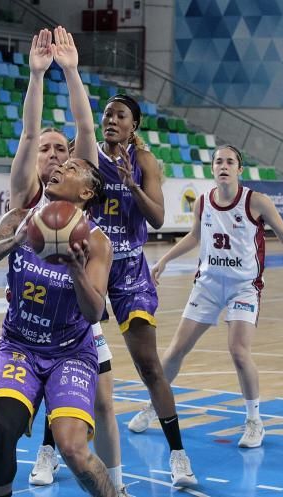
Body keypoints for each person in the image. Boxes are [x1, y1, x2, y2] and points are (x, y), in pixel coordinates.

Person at [0, 27, 128, 496]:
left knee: (87, 427)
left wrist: (71, 70)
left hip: (73, 338)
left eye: (65, 154)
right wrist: (38, 75)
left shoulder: (91, 233)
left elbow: (85, 130)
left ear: (84, 181)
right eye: (50, 153)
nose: (59, 159)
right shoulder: (23, 205)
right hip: (21, 336)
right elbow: (28, 131)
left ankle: (112, 486)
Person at [127, 145, 283, 450]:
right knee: (175, 351)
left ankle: (254, 421)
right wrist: (164, 260)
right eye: (218, 161)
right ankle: (155, 405)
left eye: (230, 161)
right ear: (212, 169)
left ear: (239, 169)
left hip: (243, 286)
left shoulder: (256, 202)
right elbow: (195, 236)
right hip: (208, 285)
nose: (223, 165)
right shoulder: (203, 202)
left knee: (238, 351)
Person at [0, 156, 115, 497]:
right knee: (3, 427)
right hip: (19, 345)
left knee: (73, 449)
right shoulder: (20, 218)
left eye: (73, 168)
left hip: (71, 353)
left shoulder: (96, 242)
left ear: (87, 191)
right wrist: (14, 241)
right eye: (61, 164)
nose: (61, 167)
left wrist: (77, 269)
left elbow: (94, 313)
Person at [95, 93, 194, 485]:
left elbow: (156, 218)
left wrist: (132, 185)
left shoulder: (146, 162)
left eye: (120, 115)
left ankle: (178, 456)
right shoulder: (84, 152)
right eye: (107, 113)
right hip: (90, 265)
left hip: (130, 269)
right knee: (70, 360)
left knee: (150, 366)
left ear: (134, 125)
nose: (111, 119)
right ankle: (50, 450)